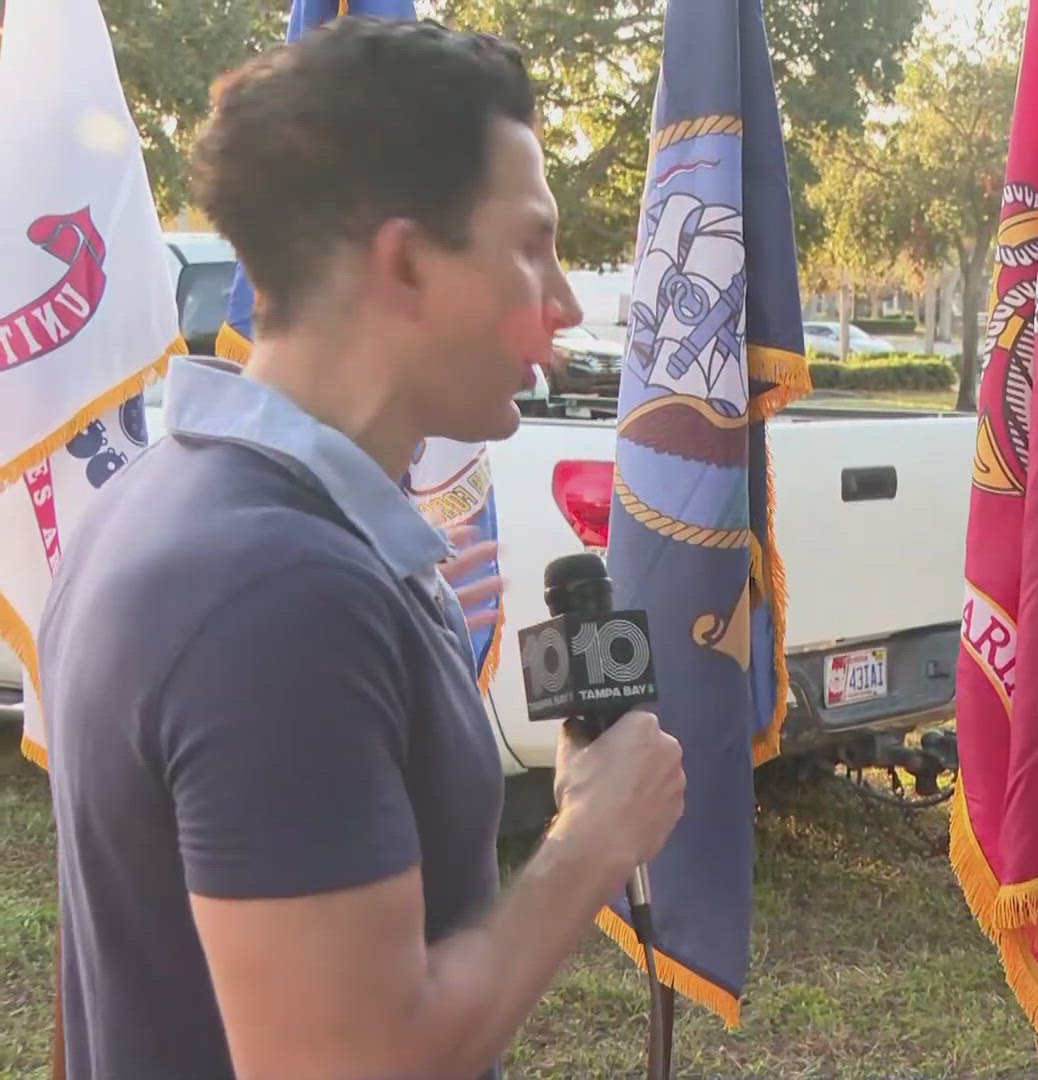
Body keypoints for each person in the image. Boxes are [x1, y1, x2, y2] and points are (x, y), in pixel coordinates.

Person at [37, 17, 684, 1080]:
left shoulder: (166, 503)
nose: (564, 302)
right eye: (531, 246)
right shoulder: (276, 593)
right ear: (408, 263)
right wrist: (592, 841)